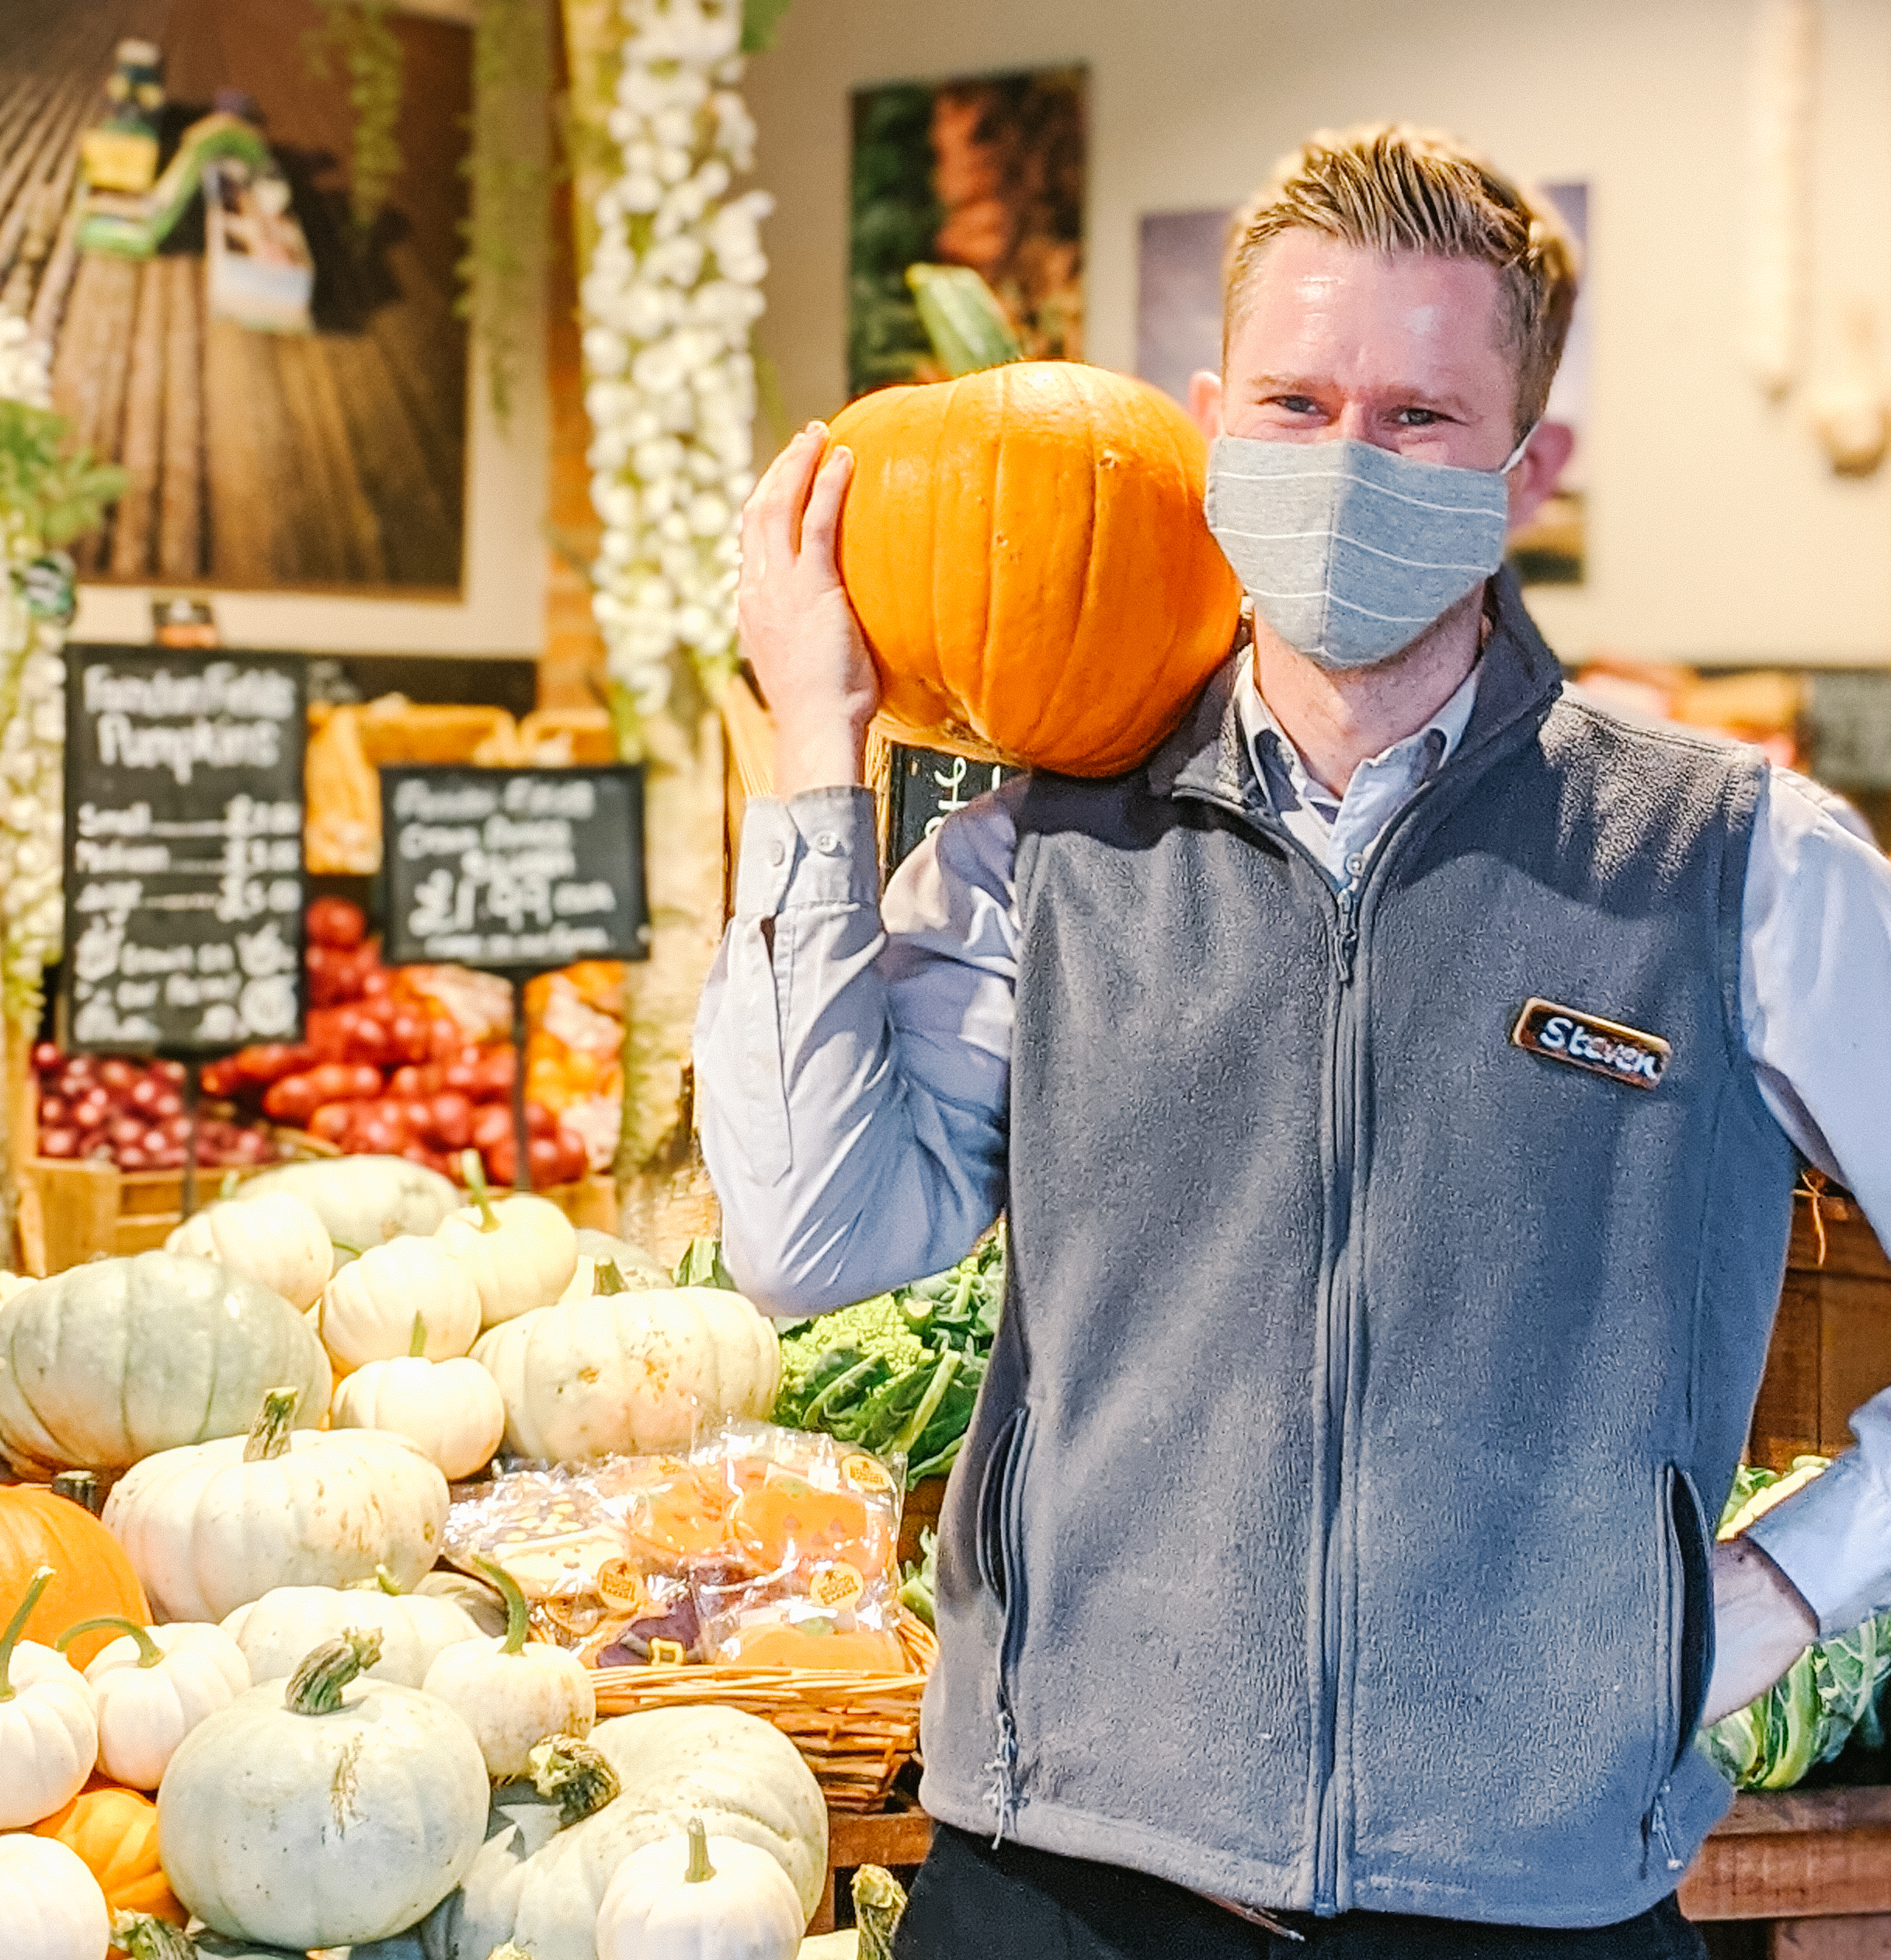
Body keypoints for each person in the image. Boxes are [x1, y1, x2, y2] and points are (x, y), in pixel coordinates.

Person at [694, 125, 1891, 1957]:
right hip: (1052, 1871)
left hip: (1530, 1900)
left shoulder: (1724, 860)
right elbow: (808, 1239)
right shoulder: (1041, 850)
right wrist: (811, 752)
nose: (1344, 461)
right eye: (1295, 400)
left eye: (1415, 417)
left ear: (1525, 464)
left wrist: (1781, 1591)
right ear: (1209, 421)